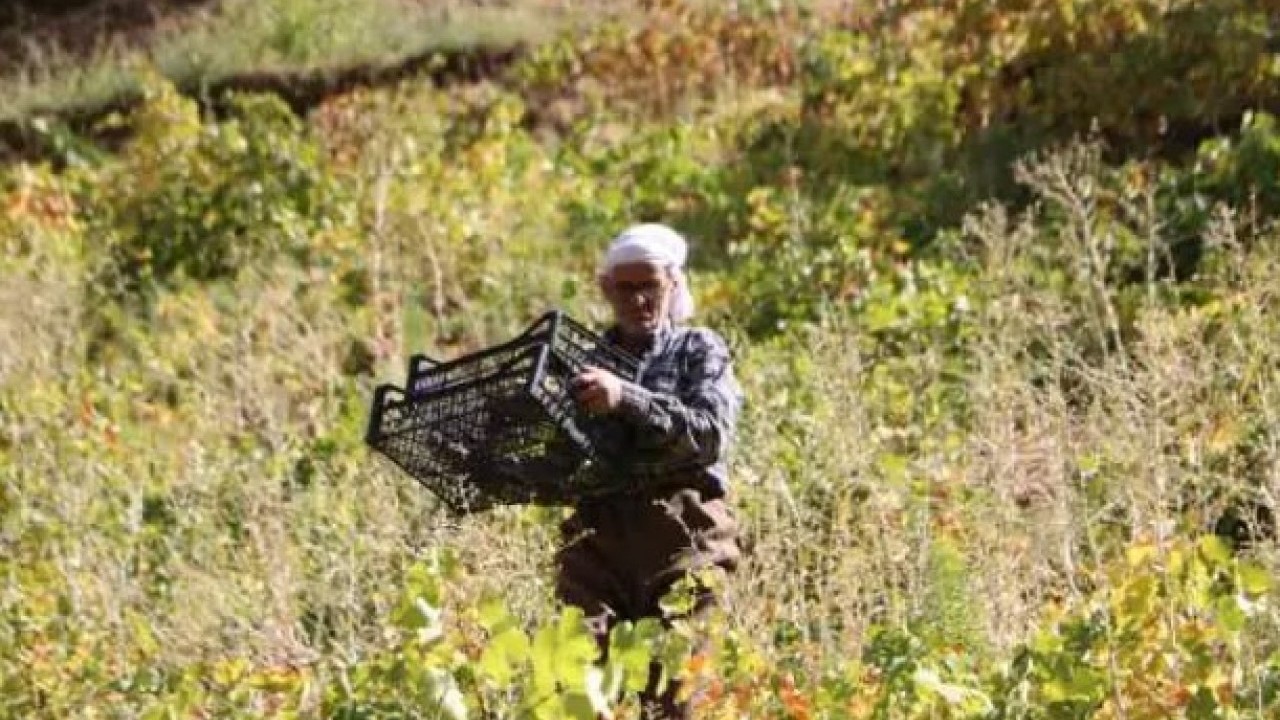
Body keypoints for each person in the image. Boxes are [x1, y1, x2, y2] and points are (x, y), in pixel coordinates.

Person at [561, 223, 745, 720]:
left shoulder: (698, 349)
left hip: (686, 537)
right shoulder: (582, 364)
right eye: (626, 288)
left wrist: (626, 398)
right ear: (606, 289)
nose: (639, 299)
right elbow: (560, 458)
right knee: (579, 686)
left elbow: (710, 434)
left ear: (673, 284)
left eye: (650, 286)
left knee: (676, 694)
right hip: (597, 545)